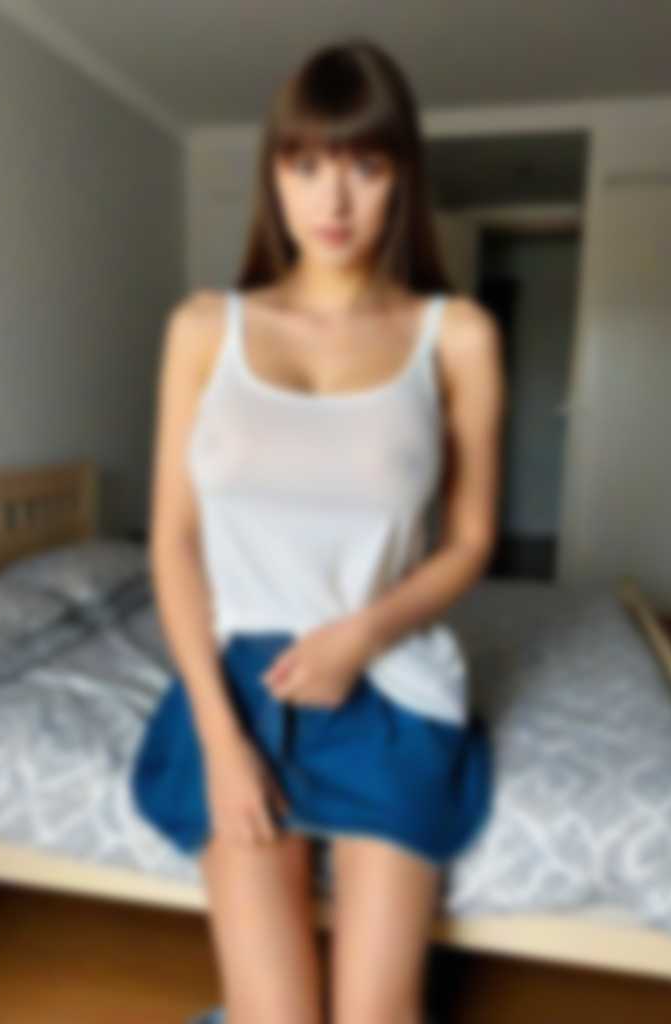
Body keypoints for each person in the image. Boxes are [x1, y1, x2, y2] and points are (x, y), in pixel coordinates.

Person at [130, 36, 505, 1024]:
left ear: (402, 177)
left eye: (364, 166)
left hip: (390, 683)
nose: (332, 200)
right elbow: (172, 540)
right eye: (305, 165)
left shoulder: (457, 335)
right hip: (243, 691)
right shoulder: (203, 329)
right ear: (274, 175)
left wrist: (362, 635)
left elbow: (470, 540)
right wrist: (219, 737)